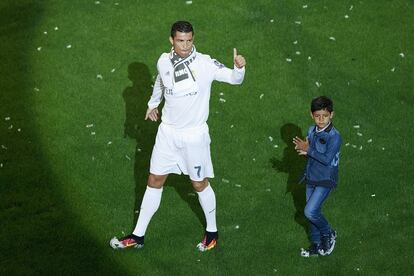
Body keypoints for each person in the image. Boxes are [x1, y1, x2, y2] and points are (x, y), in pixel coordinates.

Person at [110, 21, 246, 252]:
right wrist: (152, 104)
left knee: (199, 183)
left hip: (194, 137)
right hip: (167, 134)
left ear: (193, 39)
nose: (185, 45)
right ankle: (138, 235)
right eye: (181, 41)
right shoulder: (163, 61)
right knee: (154, 180)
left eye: (189, 40)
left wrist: (239, 68)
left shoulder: (205, 63)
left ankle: (212, 232)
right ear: (171, 40)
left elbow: (234, 79)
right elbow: (161, 83)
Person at [292, 96, 342, 257]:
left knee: (310, 211)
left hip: (325, 179)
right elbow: (313, 154)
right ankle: (316, 244)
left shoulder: (335, 137)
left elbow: (327, 159)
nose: (321, 119)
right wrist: (305, 152)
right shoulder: (311, 130)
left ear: (331, 115)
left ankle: (328, 234)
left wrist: (308, 150)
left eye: (325, 116)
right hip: (312, 176)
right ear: (311, 115)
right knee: (312, 212)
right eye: (317, 116)